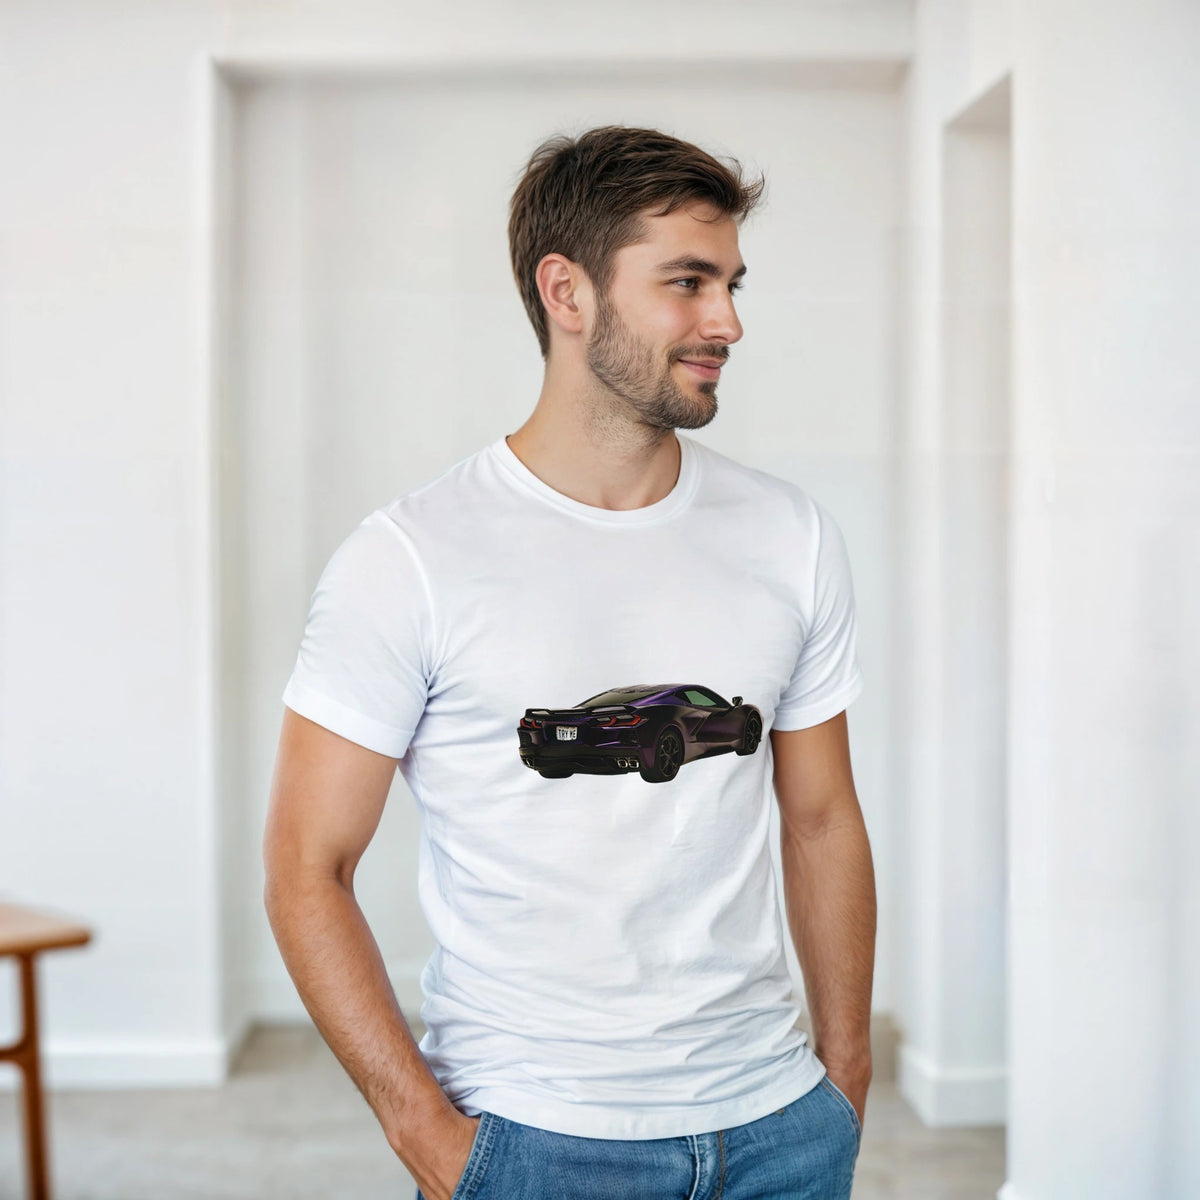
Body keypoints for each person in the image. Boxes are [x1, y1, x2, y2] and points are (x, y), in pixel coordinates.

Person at [263, 124, 876, 1200]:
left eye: (731, 282)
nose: (726, 320)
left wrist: (845, 1078)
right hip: (534, 1140)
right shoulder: (408, 560)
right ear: (568, 291)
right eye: (687, 282)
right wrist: (431, 1141)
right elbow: (305, 869)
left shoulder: (792, 535)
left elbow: (821, 817)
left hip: (778, 1129)